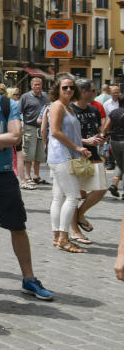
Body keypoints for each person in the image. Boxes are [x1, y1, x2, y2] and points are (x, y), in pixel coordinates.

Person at [0, 59, 53, 300]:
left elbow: (15, 137)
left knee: (17, 225)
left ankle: (28, 277)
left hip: (4, 172)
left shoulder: (7, 104)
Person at [46, 74, 88, 254]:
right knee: (72, 196)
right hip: (62, 156)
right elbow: (55, 132)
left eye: (71, 87)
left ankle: (57, 236)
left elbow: (70, 133)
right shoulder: (57, 106)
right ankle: (63, 237)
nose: (69, 90)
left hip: (65, 154)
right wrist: (78, 148)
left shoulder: (68, 108)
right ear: (58, 89)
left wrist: (85, 143)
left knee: (58, 197)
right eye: (65, 87)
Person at [71, 78, 108, 242]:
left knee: (101, 188)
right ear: (84, 92)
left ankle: (80, 214)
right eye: (93, 90)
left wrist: (101, 137)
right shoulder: (70, 110)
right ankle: (74, 231)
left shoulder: (93, 110)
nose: (95, 93)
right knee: (75, 194)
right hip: (77, 156)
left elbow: (98, 129)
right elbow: (65, 136)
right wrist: (86, 141)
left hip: (93, 154)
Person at [19, 77, 50, 190]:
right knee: (29, 154)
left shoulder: (46, 96)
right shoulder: (25, 97)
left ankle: (36, 176)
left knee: (40, 154)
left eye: (39, 84)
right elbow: (19, 111)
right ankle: (27, 177)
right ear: (31, 86)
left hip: (42, 128)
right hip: (29, 127)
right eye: (35, 85)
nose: (37, 86)